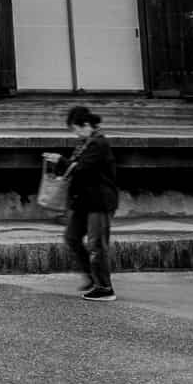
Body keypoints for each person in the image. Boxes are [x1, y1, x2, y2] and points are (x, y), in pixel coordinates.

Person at [56, 104, 119, 301]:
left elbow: (82, 169)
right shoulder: (85, 144)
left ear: (85, 125)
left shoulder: (98, 144)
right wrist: (63, 163)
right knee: (72, 237)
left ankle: (104, 287)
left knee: (96, 244)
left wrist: (61, 161)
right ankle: (92, 276)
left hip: (99, 202)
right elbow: (75, 167)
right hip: (83, 201)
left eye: (75, 129)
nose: (75, 134)